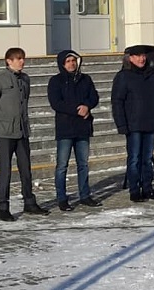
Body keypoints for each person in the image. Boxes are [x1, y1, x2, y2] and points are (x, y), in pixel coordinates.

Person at [0, 47, 49, 221]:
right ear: (8, 61)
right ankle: (3, 207)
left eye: (23, 58)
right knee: (5, 169)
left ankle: (29, 202)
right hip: (4, 133)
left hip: (22, 131)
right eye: (18, 59)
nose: (22, 61)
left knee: (26, 168)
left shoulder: (25, 79)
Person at [47, 50, 102, 211]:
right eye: (68, 61)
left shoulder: (85, 79)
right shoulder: (56, 81)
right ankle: (62, 198)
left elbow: (94, 97)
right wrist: (76, 110)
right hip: (65, 128)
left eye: (73, 60)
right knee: (62, 165)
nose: (71, 63)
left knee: (83, 164)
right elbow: (56, 103)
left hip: (83, 127)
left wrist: (87, 107)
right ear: (62, 64)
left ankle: (85, 195)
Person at [111, 45, 154, 202]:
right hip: (133, 125)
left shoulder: (152, 75)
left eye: (143, 56)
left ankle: (147, 188)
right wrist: (121, 124)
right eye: (138, 56)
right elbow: (117, 101)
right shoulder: (123, 76)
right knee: (134, 158)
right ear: (130, 58)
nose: (142, 59)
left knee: (147, 158)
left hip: (150, 122)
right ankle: (134, 190)